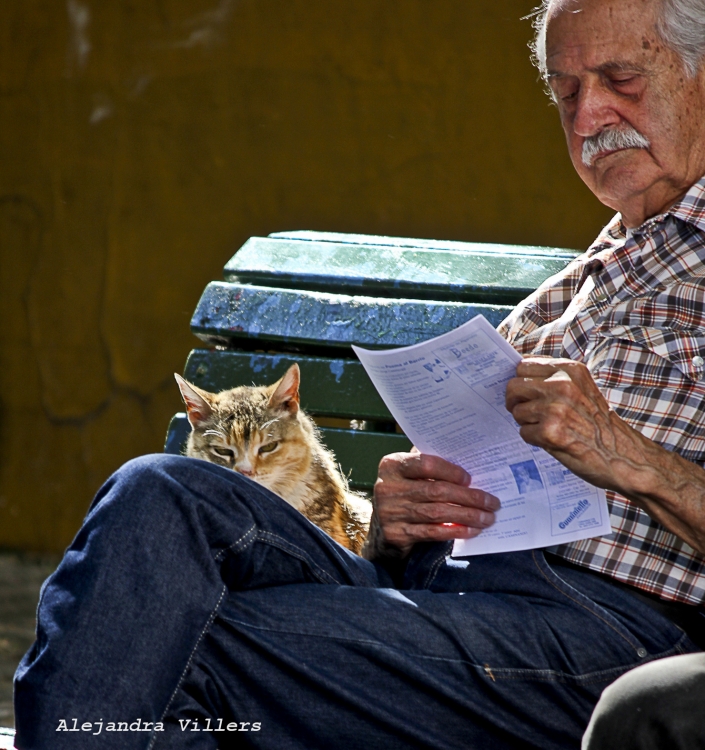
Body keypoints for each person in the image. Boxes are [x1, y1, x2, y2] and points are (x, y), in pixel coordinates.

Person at [13, 0, 705, 747]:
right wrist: (401, 522)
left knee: (167, 633)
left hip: (606, 634)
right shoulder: (598, 271)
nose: (586, 115)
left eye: (620, 79)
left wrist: (631, 460)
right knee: (155, 493)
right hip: (442, 593)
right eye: (566, 91)